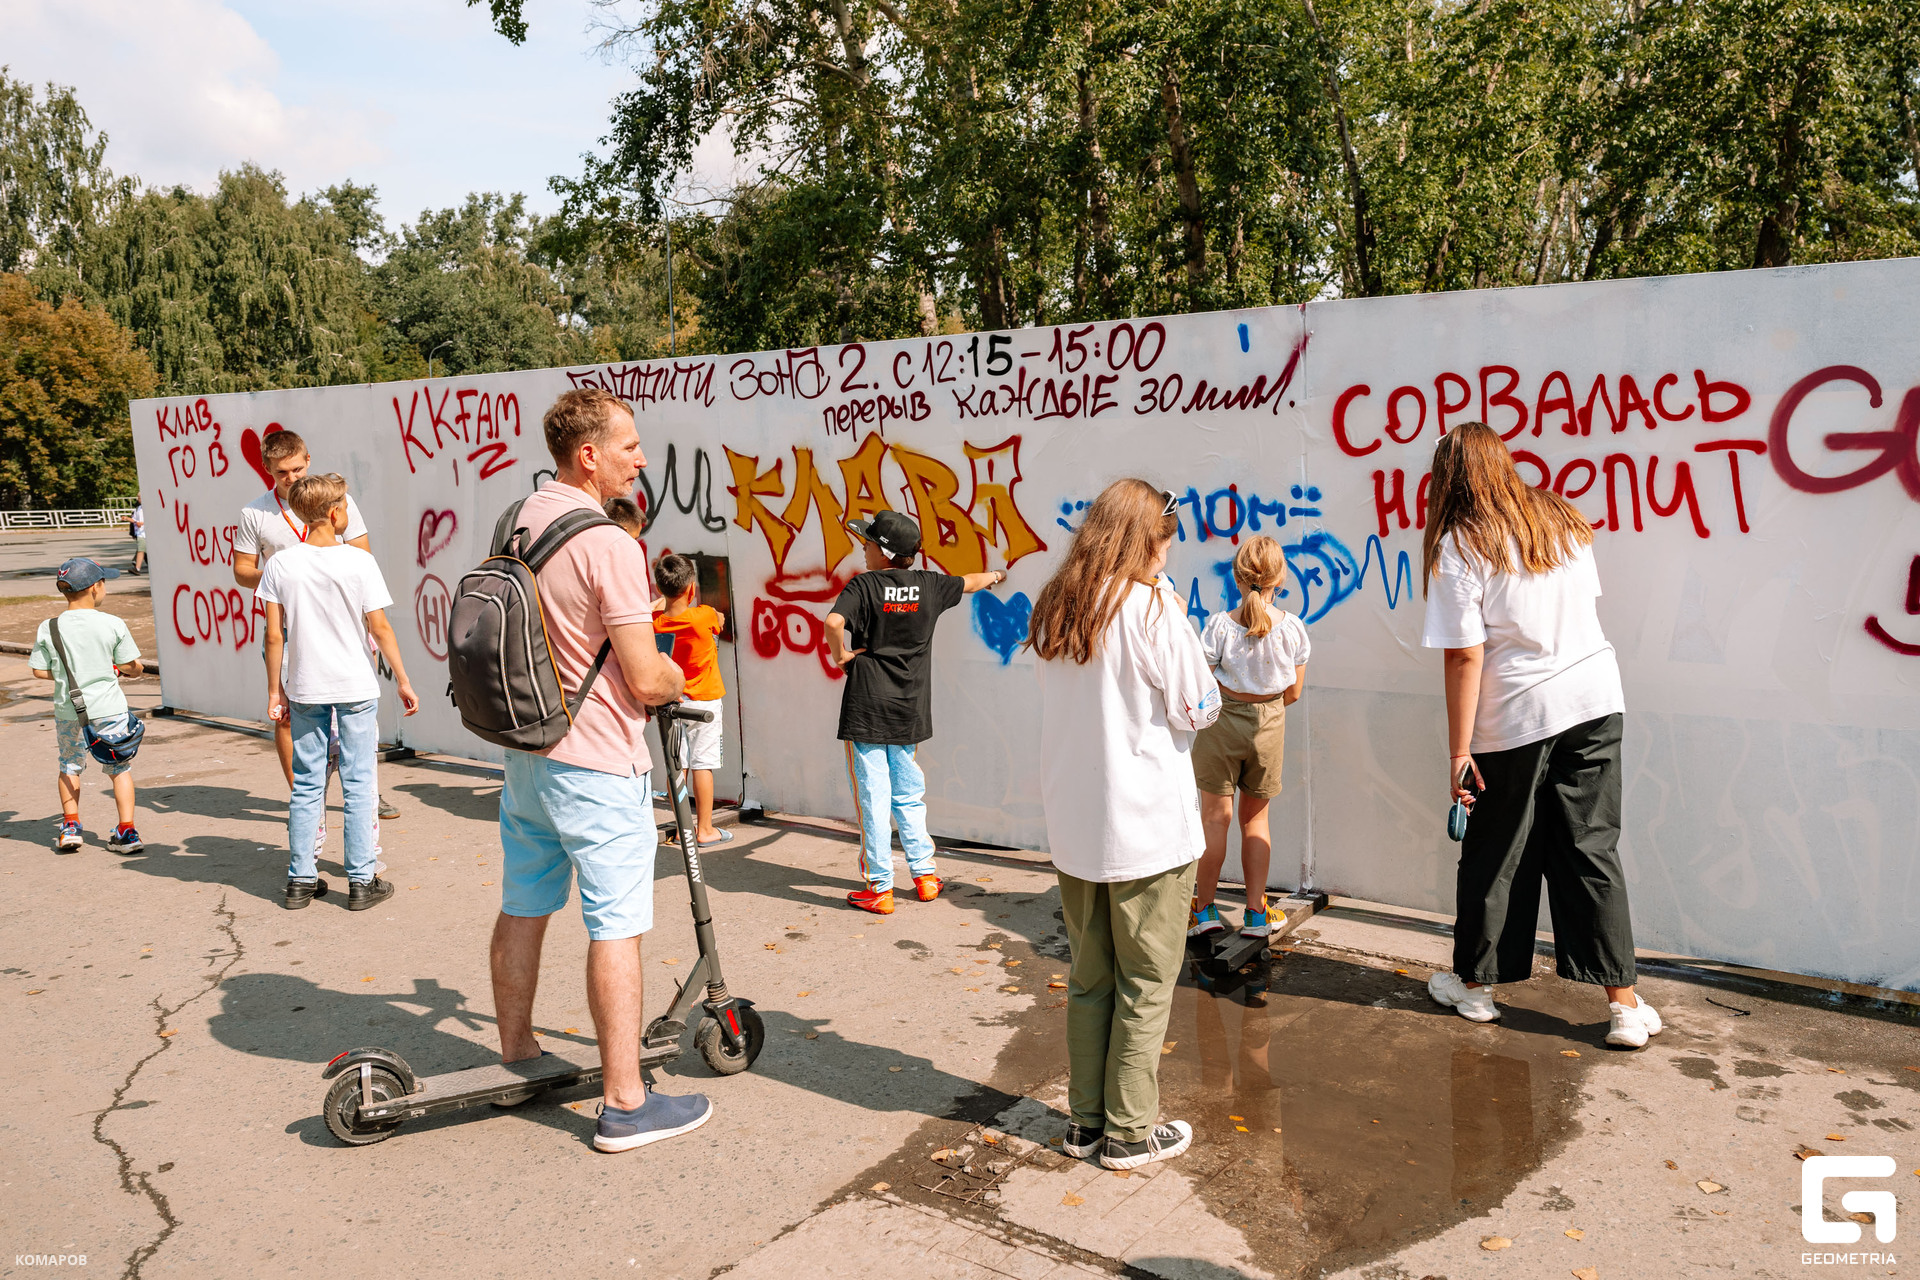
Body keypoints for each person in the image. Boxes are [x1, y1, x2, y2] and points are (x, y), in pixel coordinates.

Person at [490, 386, 709, 1154]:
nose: (641, 459)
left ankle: (518, 1053)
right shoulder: (610, 543)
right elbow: (646, 677)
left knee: (523, 904)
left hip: (526, 751)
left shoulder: (517, 520)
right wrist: (678, 678)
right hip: (595, 759)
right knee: (617, 923)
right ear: (589, 456)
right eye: (629, 446)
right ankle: (624, 1103)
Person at [1419, 421, 1660, 1050]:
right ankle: (1625, 1008)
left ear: (1449, 478)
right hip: (1595, 701)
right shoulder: (1561, 517)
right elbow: (1582, 609)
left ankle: (1476, 989)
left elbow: (1464, 655)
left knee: (1498, 850)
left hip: (1517, 715)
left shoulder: (1461, 541)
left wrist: (1459, 750)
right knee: (1591, 849)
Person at [1027, 479, 1220, 1171]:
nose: (1170, 554)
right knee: (1145, 983)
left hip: (1076, 825)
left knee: (1090, 978)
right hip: (1147, 826)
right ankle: (1131, 1132)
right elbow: (1199, 707)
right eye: (1167, 541)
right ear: (1147, 540)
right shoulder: (1152, 607)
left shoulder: (1058, 605)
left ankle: (1085, 1124)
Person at [823, 509, 1006, 915]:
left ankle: (879, 887)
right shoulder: (930, 585)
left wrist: (841, 657)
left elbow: (834, 622)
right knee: (908, 793)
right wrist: (996, 575)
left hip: (867, 705)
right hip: (909, 705)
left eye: (868, 543)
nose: (863, 548)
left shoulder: (864, 585)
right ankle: (924, 876)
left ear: (884, 553)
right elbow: (970, 582)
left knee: (873, 797)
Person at [259, 474, 419, 910]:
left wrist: (274, 691)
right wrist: (403, 679)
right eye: (345, 507)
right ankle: (362, 880)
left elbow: (274, 635)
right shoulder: (359, 562)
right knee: (360, 781)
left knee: (307, 783)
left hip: (304, 686)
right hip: (354, 685)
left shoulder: (280, 565)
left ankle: (300, 879)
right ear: (334, 513)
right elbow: (379, 628)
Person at [233, 429, 400, 822]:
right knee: (287, 714)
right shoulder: (255, 513)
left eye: (296, 469)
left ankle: (367, 794)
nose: (291, 478)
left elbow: (362, 554)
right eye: (281, 472)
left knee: (355, 713)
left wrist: (310, 570)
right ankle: (307, 802)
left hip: (343, 625)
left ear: (308, 459)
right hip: (290, 629)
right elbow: (241, 570)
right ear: (267, 469)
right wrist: (286, 578)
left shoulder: (336, 500)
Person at [1189, 536, 1309, 940]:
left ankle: (1203, 910)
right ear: (1281, 579)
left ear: (1237, 578)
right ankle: (1256, 914)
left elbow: (1202, 683)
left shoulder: (1219, 626)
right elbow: (1293, 692)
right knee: (1255, 820)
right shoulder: (1293, 629)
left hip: (1222, 724)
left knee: (1214, 820)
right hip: (1269, 724)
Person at [31, 558, 145, 853]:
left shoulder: (49, 627)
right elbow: (131, 666)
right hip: (110, 710)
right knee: (119, 767)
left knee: (70, 765)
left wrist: (64, 674)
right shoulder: (112, 623)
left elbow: (39, 671)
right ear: (96, 587)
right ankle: (127, 832)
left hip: (69, 710)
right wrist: (130, 670)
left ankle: (70, 826)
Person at [652, 552, 730, 847]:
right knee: (702, 765)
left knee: (678, 765)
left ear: (659, 588)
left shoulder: (654, 622)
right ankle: (704, 829)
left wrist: (661, 601)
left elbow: (654, 610)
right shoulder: (703, 615)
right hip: (705, 702)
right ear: (691, 589)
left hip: (674, 702)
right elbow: (720, 620)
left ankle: (683, 827)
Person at [128, 504, 147, 575]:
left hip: (151, 534)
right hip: (141, 533)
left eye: (140, 498)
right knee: (141, 550)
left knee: (144, 550)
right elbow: (134, 521)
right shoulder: (137, 509)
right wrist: (127, 518)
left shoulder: (152, 507)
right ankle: (137, 568)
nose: (139, 499)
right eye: (138, 498)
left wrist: (142, 523)